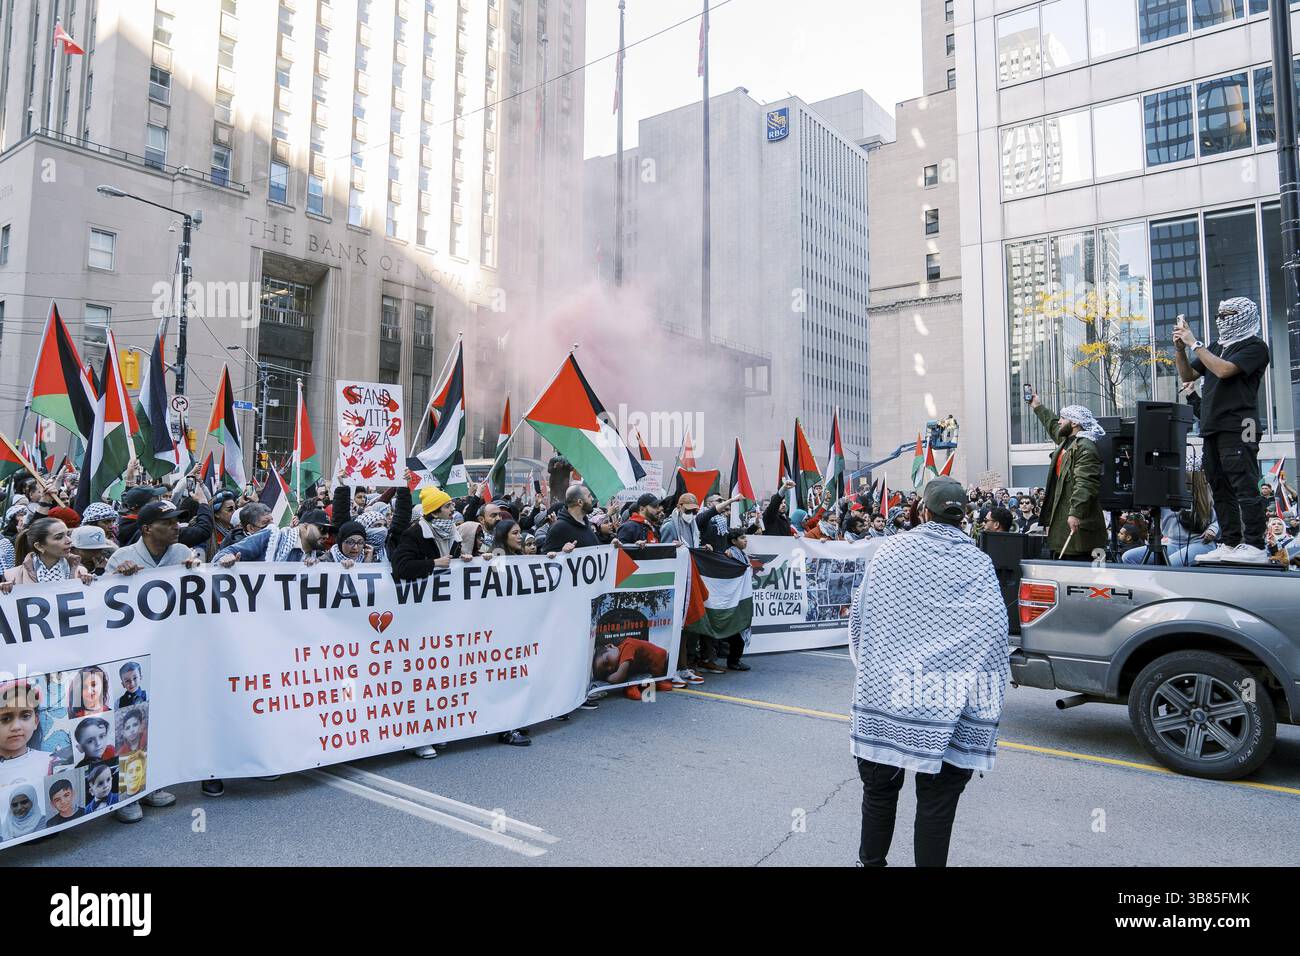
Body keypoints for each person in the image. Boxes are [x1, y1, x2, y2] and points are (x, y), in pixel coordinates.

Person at [849, 477, 1010, 867]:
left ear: (924, 511)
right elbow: (994, 628)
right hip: (947, 695)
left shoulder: (891, 551)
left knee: (880, 791)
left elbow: (861, 615)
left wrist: (875, 659)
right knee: (938, 803)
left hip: (888, 691)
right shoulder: (978, 561)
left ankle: (870, 864)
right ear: (964, 516)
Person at [1174, 297, 1271, 563]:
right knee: (1219, 485)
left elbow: (1225, 370)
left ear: (1245, 315)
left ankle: (1256, 545)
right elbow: (1188, 376)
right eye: (1220, 313)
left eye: (1228, 313)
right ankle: (1230, 542)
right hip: (1213, 426)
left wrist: (1195, 343)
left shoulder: (1255, 346)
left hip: (1241, 424)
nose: (1221, 318)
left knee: (1244, 482)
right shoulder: (1217, 346)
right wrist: (1181, 350)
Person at [1028, 394, 1106, 560]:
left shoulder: (1086, 448)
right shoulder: (1068, 441)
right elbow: (1052, 425)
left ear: (1075, 423)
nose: (1059, 421)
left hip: (1076, 525)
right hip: (1064, 521)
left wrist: (1076, 513)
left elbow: (1085, 484)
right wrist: (1037, 406)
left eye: (1063, 418)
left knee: (1074, 562)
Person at [105, 500, 204, 575]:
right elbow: (104, 593)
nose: (176, 527)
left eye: (176, 522)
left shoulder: (183, 552)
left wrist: (198, 570)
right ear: (147, 529)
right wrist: (117, 576)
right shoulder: (120, 558)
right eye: (168, 523)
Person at [0, 516, 95, 592]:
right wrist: (6, 593)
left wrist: (90, 585)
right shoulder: (12, 576)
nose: (69, 540)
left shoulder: (80, 572)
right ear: (40, 546)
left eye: (68, 534)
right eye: (59, 537)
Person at [214, 508, 332, 566]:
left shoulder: (316, 557)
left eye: (328, 531)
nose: (326, 535)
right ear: (304, 527)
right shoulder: (271, 538)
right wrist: (226, 558)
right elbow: (224, 553)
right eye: (322, 530)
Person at [0, 680, 55, 786]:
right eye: (5, 718)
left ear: (36, 721)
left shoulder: (50, 762)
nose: (16, 727)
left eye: (25, 716)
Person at [592, 637, 674, 701]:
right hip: (654, 670)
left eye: (606, 661)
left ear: (610, 646)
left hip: (664, 661)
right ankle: (632, 686)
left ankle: (655, 682)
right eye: (607, 671)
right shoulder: (620, 657)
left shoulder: (628, 646)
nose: (610, 668)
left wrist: (607, 678)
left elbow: (618, 677)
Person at [721, 527, 753, 671]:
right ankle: (733, 661)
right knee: (737, 629)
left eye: (745, 537)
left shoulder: (742, 554)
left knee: (741, 626)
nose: (745, 540)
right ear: (734, 541)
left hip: (742, 596)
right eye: (742, 538)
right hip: (735, 598)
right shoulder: (730, 554)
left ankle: (735, 659)